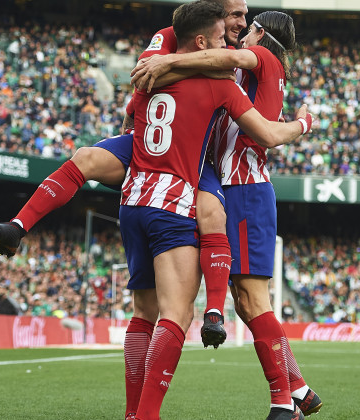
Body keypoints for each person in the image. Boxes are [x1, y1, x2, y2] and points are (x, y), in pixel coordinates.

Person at [0, 0, 247, 349]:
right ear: (214, 17)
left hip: (197, 153)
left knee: (212, 212)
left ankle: (214, 312)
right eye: (236, 14)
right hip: (149, 138)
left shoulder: (238, 51)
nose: (242, 21)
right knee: (86, 157)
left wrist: (173, 63)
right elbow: (144, 72)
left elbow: (213, 68)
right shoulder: (172, 33)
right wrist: (193, 66)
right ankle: (17, 227)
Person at [120, 3, 311, 419]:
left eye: (250, 24)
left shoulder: (262, 57)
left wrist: (170, 59)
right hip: (232, 187)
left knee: (252, 300)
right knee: (249, 302)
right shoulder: (259, 72)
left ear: (263, 34)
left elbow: (226, 58)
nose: (242, 30)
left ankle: (284, 400)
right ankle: (296, 388)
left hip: (243, 189)